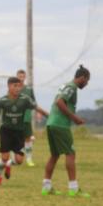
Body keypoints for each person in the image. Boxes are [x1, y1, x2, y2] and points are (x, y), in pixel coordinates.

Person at [41, 65, 91, 197]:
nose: (87, 84)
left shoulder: (65, 85)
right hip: (60, 125)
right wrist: (74, 118)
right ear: (82, 77)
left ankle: (46, 187)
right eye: (87, 80)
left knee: (54, 155)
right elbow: (60, 102)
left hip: (51, 123)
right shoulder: (72, 87)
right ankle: (73, 189)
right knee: (70, 153)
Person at [0, 77, 48, 186]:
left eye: (19, 86)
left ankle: (8, 164)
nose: (17, 88)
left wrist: (49, 116)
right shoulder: (2, 101)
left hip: (19, 132)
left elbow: (36, 108)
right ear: (9, 86)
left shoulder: (25, 99)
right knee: (4, 157)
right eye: (15, 86)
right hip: (6, 131)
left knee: (19, 160)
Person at [16, 69, 39, 167]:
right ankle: (15, 159)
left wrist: (38, 113)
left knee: (28, 139)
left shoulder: (29, 89)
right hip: (16, 118)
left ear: (25, 77)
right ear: (17, 77)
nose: (21, 78)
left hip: (26, 118)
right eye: (19, 76)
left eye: (23, 76)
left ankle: (29, 159)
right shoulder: (14, 88)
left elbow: (34, 102)